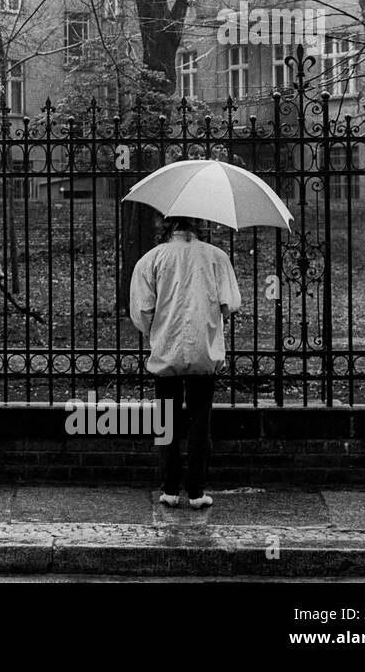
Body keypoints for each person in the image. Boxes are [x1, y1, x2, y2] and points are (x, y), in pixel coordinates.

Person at [129, 215, 241, 511]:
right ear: (197, 227)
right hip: (203, 351)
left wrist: (157, 326)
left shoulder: (151, 259)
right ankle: (196, 491)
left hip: (166, 350)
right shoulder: (217, 257)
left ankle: (168, 489)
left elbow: (141, 312)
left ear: (168, 228)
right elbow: (231, 304)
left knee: (166, 422)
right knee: (199, 422)